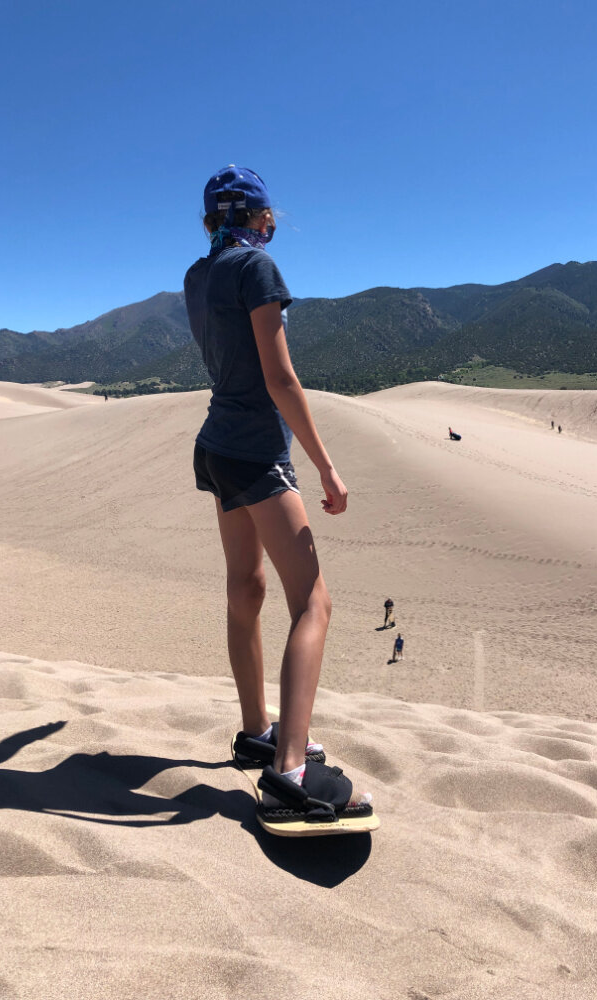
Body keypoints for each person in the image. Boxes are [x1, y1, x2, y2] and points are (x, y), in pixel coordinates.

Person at [184, 165, 371, 821]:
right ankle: (289, 769)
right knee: (313, 601)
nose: (273, 224)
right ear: (259, 217)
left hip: (216, 446)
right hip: (258, 450)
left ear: (211, 219)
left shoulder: (197, 276)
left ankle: (256, 733)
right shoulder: (256, 271)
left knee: (245, 587)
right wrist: (326, 466)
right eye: (270, 216)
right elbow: (281, 379)